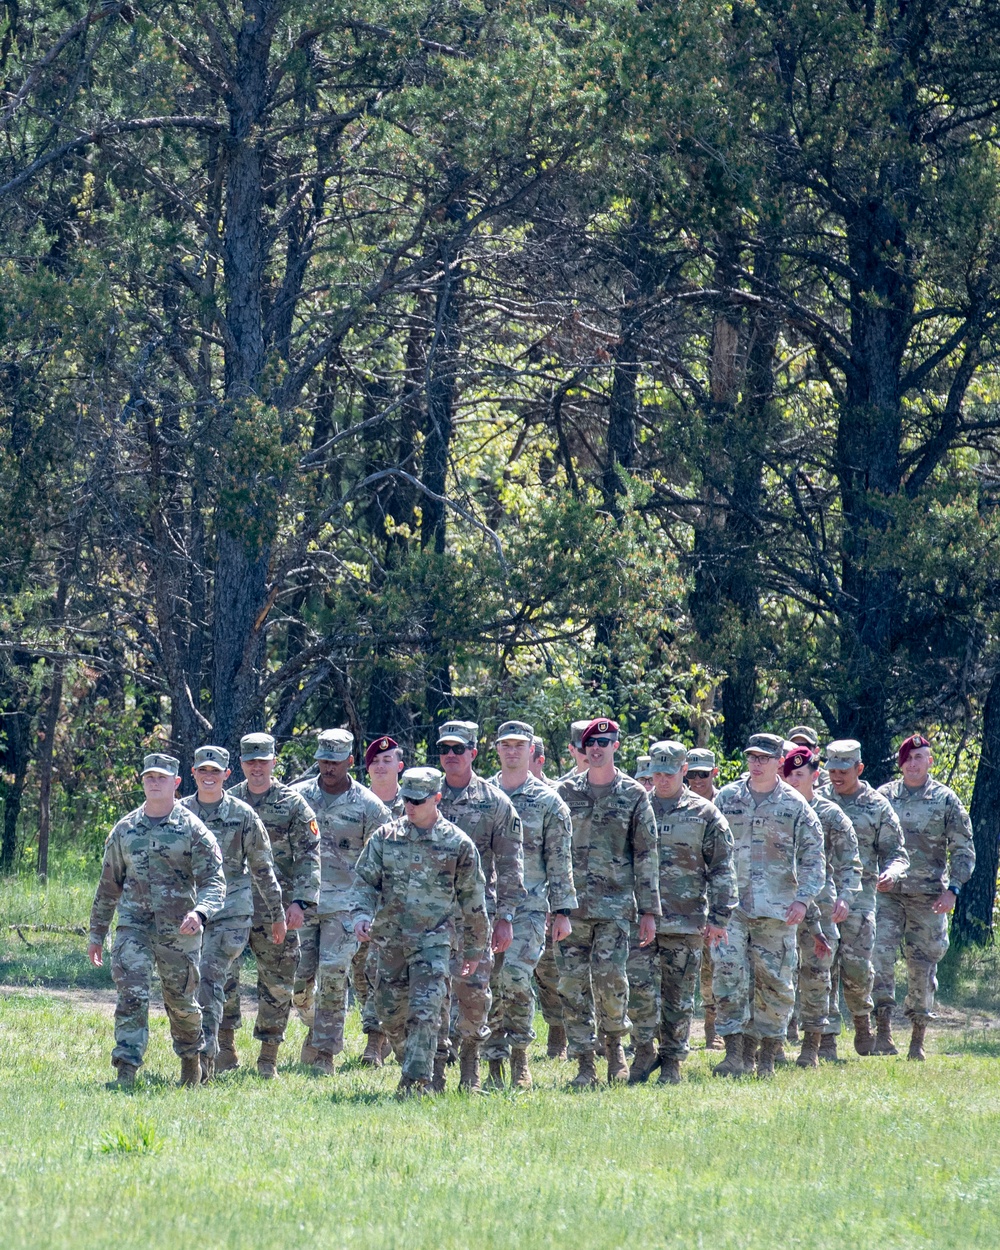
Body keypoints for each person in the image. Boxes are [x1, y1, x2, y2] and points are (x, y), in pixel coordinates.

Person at [87, 753, 226, 1087]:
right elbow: (109, 885)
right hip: (134, 925)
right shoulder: (124, 830)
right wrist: (97, 932)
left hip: (180, 929)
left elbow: (215, 881)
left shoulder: (193, 830)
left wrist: (200, 912)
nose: (154, 782)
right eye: (149, 777)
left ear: (176, 783)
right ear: (143, 781)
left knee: (180, 1002)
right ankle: (126, 1069)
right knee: (131, 992)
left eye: (162, 778)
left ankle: (191, 1059)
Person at [352, 767, 489, 1097]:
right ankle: (430, 1063)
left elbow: (473, 900)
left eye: (418, 800)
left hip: (435, 940)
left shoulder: (457, 844)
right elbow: (364, 884)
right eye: (405, 800)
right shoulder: (385, 838)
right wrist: (359, 914)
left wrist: (473, 950)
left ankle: (416, 1082)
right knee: (390, 1016)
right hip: (390, 940)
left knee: (425, 1012)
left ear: (437, 799)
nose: (409, 806)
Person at [712, 733, 825, 1077]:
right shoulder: (727, 798)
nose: (757, 763)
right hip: (732, 909)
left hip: (778, 910)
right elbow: (710, 850)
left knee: (774, 984)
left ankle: (766, 1057)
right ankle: (734, 1054)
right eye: (752, 757)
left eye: (764, 758)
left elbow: (813, 857)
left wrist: (804, 900)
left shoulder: (794, 805)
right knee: (729, 976)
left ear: (780, 761)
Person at [555, 717, 661, 1086]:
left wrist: (649, 910)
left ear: (616, 745)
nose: (596, 749)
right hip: (570, 908)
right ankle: (585, 1061)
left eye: (604, 743)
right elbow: (552, 851)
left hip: (615, 907)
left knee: (611, 981)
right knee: (571, 986)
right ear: (583, 749)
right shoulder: (563, 793)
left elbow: (646, 854)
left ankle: (615, 1048)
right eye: (590, 744)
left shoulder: (634, 795)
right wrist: (554, 905)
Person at [627, 742, 736, 1085]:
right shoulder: (636, 808)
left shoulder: (705, 813)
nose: (660, 780)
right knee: (639, 991)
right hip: (640, 917)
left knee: (677, 996)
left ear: (684, 770)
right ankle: (643, 1050)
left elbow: (722, 867)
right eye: (655, 773)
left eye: (668, 773)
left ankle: (672, 1061)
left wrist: (719, 917)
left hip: (685, 919)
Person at [181, 745, 286, 1081]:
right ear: (194, 773)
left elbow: (263, 868)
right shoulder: (179, 813)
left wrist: (277, 913)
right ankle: (217, 1048)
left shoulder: (243, 815)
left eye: (216, 771)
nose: (209, 777)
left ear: (227, 775)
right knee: (194, 983)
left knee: (209, 975)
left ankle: (204, 1062)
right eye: (203, 771)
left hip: (232, 912)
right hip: (192, 913)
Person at [220, 732, 320, 1078]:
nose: (257, 768)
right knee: (223, 978)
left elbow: (310, 856)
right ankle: (226, 1050)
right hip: (232, 908)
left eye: (263, 761)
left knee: (278, 982)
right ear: (241, 764)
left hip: (276, 908)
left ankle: (268, 1058)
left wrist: (301, 903)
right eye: (250, 761)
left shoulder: (292, 805)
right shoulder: (229, 802)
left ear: (274, 762)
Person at [485, 720, 577, 1089]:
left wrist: (563, 911)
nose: (511, 751)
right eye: (505, 745)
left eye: (518, 745)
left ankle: (520, 1056)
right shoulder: (483, 794)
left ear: (530, 750)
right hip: (487, 907)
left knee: (516, 977)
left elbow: (560, 859)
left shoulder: (549, 801)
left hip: (531, 905)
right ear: (497, 750)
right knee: (488, 980)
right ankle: (493, 1062)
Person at [291, 729, 390, 1074]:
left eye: (335, 761)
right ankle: (316, 1023)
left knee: (334, 974)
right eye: (323, 760)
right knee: (298, 982)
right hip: (304, 903)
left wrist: (375, 906)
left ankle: (325, 1053)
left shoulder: (369, 807)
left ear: (350, 762)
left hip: (346, 906)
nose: (327, 767)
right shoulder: (298, 798)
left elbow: (384, 858)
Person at [874, 734, 975, 1060]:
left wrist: (953, 889)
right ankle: (883, 1031)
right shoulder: (884, 796)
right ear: (900, 763)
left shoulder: (945, 800)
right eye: (907, 758)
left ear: (930, 761)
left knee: (922, 967)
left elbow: (962, 847)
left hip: (929, 896)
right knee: (879, 958)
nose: (913, 763)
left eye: (919, 757)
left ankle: (917, 1037)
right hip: (888, 895)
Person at [436, 719, 524, 1092]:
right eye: (445, 749)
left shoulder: (495, 802)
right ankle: (435, 1069)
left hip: (476, 916)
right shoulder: (425, 796)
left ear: (473, 752)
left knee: (474, 995)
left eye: (459, 749)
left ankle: (470, 1066)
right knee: (432, 994)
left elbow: (509, 865)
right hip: (432, 915)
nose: (451, 756)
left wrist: (505, 917)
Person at [820, 739, 908, 1055]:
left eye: (843, 770)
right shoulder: (817, 802)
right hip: (822, 898)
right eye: (831, 769)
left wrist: (892, 872)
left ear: (859, 768)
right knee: (822, 965)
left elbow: (897, 853)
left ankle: (861, 1018)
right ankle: (826, 1038)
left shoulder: (876, 806)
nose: (836, 776)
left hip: (860, 898)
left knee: (856, 967)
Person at [781, 747, 861, 1066]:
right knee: (778, 972)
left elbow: (850, 861)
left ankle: (816, 1044)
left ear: (814, 777)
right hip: (781, 905)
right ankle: (771, 1041)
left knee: (817, 973)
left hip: (821, 904)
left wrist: (846, 896)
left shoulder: (830, 814)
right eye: (788, 775)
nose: (792, 780)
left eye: (799, 775)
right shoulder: (777, 809)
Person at [685, 747, 723, 1048]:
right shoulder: (680, 806)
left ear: (714, 773)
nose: (697, 780)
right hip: (686, 897)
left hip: (717, 896)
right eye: (692, 774)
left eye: (703, 774)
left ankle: (714, 1031)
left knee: (715, 966)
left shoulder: (725, 803)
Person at [366, 736, 405, 816]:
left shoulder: (412, 804)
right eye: (374, 761)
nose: (380, 765)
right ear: (368, 768)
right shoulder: (358, 803)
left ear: (399, 766)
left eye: (387, 760)